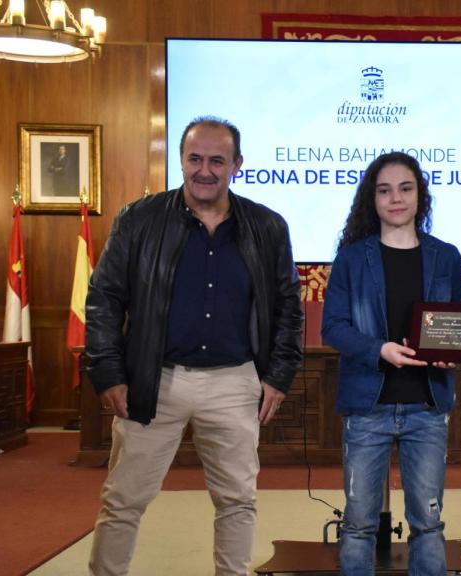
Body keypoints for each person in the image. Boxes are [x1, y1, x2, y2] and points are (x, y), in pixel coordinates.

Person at [84, 116, 304, 576]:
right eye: (195, 159)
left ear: (237, 165)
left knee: (238, 502)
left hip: (234, 383)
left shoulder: (267, 227)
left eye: (217, 161)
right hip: (153, 380)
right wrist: (108, 371)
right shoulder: (138, 219)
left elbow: (287, 307)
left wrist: (279, 376)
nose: (205, 170)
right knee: (123, 501)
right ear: (181, 161)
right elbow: (104, 297)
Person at [321, 152, 461, 576]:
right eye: (384, 190)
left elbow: (459, 325)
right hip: (368, 406)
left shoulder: (447, 257)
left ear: (421, 196)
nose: (396, 198)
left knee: (428, 523)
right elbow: (333, 328)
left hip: (428, 405)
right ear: (373, 199)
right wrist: (379, 349)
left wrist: (451, 350)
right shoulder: (351, 258)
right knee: (360, 524)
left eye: (406, 188)